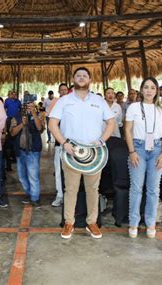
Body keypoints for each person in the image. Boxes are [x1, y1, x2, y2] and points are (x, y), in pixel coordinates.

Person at [49, 67, 116, 239]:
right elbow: (52, 124)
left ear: (90, 79)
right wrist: (64, 143)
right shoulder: (64, 100)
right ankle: (69, 223)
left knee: (93, 189)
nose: (81, 78)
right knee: (70, 189)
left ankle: (91, 222)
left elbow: (111, 123)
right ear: (73, 79)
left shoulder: (98, 101)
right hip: (71, 151)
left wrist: (102, 140)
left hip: (94, 153)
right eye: (78, 75)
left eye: (84, 75)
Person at [125, 77, 162, 239]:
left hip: (157, 149)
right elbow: (128, 130)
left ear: (157, 90)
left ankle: (150, 223)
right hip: (138, 149)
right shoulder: (134, 107)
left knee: (153, 189)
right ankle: (134, 223)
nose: (149, 90)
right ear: (141, 90)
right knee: (136, 188)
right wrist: (132, 152)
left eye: (152, 87)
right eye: (146, 87)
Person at [10, 101, 45, 207]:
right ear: (22, 107)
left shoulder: (39, 115)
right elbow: (12, 132)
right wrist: (22, 124)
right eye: (26, 106)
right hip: (20, 150)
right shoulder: (16, 117)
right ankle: (29, 193)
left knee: (33, 175)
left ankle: (35, 198)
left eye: (31, 106)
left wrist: (34, 114)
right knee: (21, 176)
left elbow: (40, 129)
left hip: (33, 151)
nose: (28, 108)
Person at [50, 83, 69, 207]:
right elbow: (52, 123)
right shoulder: (55, 104)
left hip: (73, 143)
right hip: (59, 143)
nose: (63, 92)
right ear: (58, 91)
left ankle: (70, 195)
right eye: (61, 90)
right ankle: (60, 195)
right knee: (58, 170)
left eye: (65, 90)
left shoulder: (73, 103)